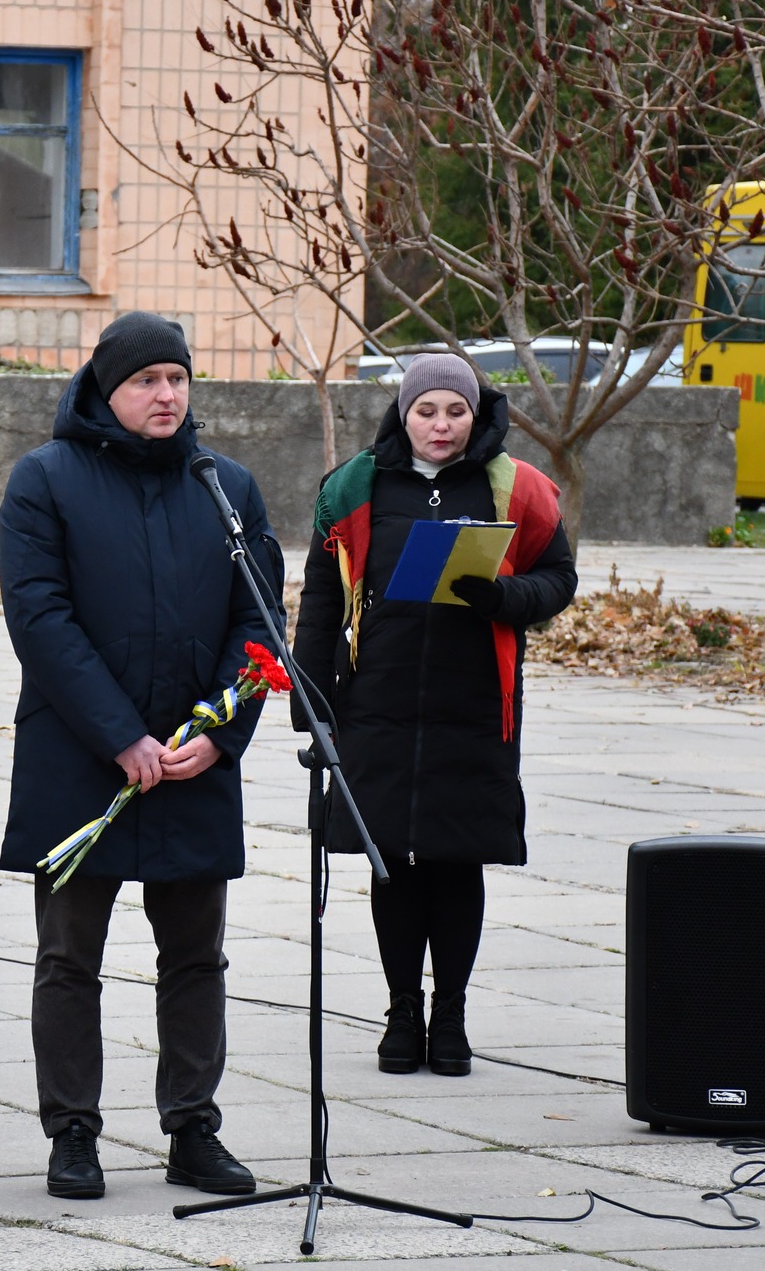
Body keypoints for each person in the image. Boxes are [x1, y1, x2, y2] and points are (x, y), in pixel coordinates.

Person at [0, 311, 283, 1201]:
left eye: (178, 378)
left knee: (196, 957)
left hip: (193, 764)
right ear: (106, 389)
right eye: (147, 381)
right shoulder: (45, 480)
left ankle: (193, 1126)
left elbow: (258, 620)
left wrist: (219, 732)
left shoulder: (226, 486)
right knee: (69, 958)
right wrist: (121, 735)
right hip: (84, 761)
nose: (167, 396)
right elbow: (40, 618)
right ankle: (72, 1132)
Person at [292, 352, 576, 1077]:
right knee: (393, 863)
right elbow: (323, 593)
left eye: (456, 410)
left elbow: (557, 578)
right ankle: (401, 1011)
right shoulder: (354, 487)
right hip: (377, 704)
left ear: (477, 413)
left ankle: (450, 1013)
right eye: (427, 411)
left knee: (455, 862)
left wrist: (505, 599)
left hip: (473, 705)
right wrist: (310, 696)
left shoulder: (516, 486)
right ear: (403, 413)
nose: (441, 425)